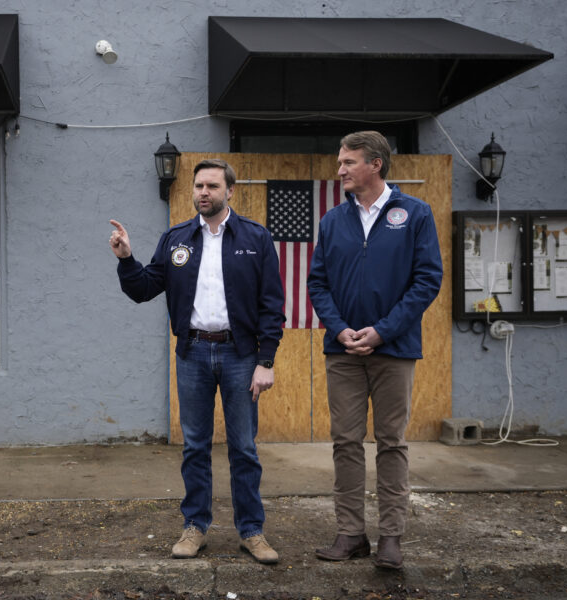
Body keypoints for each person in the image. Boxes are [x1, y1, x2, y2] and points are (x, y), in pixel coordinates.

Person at [109, 158, 285, 564]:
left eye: (212, 186)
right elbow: (144, 288)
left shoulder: (255, 238)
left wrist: (267, 359)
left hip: (241, 354)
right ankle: (195, 527)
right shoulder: (176, 239)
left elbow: (272, 305)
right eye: (198, 186)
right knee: (195, 447)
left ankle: (252, 532)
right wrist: (126, 259)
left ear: (230, 192)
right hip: (192, 354)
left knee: (243, 447)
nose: (203, 192)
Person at [307, 131, 443, 569]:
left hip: (395, 349)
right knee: (345, 442)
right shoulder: (332, 221)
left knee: (392, 443)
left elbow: (427, 280)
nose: (341, 169)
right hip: (342, 352)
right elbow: (318, 284)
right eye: (340, 162)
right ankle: (350, 534)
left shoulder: (415, 214)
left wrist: (383, 332)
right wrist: (341, 329)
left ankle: (391, 538)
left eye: (348, 162)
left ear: (375, 165)